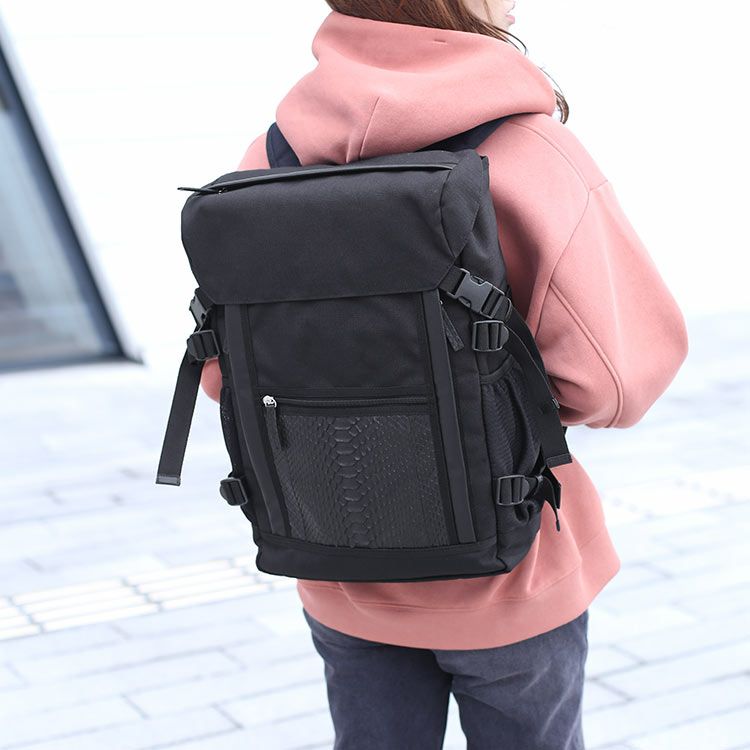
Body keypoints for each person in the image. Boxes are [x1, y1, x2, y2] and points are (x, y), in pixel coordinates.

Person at [199, 2, 689, 747]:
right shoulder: (529, 150)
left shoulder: (271, 156)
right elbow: (616, 382)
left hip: (338, 565)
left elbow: (224, 375)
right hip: (509, 573)